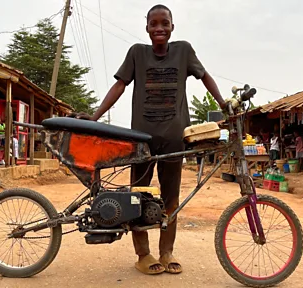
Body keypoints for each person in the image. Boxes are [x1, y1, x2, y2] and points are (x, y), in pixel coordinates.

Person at [71, 4, 227, 275]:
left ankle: (167, 251)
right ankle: (143, 254)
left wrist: (224, 104)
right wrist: (95, 117)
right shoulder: (137, 53)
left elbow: (205, 77)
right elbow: (119, 85)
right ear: (146, 28)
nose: (159, 29)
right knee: (137, 196)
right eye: (154, 24)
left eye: (164, 23)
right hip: (141, 140)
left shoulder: (184, 51)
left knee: (171, 198)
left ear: (172, 26)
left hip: (174, 140)